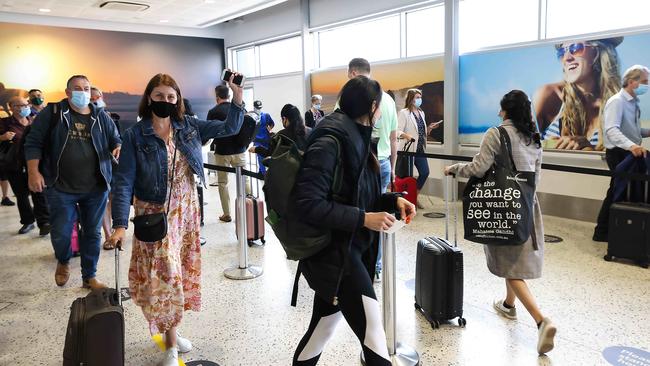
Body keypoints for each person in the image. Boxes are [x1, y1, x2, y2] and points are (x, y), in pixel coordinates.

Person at [108, 72, 244, 366]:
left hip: (186, 211)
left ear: (178, 100)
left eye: (171, 97)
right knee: (165, 278)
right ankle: (170, 345)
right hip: (153, 214)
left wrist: (236, 96)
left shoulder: (190, 127)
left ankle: (173, 331)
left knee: (178, 274)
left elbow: (231, 127)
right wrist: (120, 225)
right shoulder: (135, 135)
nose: (165, 101)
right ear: (149, 98)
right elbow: (123, 182)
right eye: (159, 96)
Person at [291, 76, 416, 366]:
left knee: (321, 331)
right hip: (336, 255)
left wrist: (392, 200)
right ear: (373, 107)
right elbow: (308, 203)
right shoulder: (332, 139)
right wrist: (364, 219)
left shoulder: (355, 135)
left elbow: (356, 194)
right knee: (374, 337)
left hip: (346, 250)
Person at [444, 90, 556, 355]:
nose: (498, 112)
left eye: (500, 108)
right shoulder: (535, 139)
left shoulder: (495, 133)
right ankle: (508, 305)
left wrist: (454, 169)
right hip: (526, 204)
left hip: (500, 205)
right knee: (512, 256)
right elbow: (536, 178)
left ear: (505, 110)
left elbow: (479, 168)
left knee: (509, 267)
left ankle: (542, 320)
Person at [24, 75, 122, 290]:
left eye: (86, 88)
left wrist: (116, 145)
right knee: (61, 232)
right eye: (77, 88)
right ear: (68, 92)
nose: (83, 92)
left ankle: (89, 276)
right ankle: (64, 259)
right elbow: (33, 143)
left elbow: (115, 137)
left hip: (95, 188)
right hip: (60, 186)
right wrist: (33, 172)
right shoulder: (53, 113)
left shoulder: (100, 116)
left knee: (92, 232)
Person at [593, 65, 650, 241]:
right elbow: (611, 130)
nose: (647, 85)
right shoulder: (617, 101)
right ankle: (602, 232)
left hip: (629, 153)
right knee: (616, 190)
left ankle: (618, 230)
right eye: (645, 81)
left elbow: (632, 129)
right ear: (632, 82)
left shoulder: (633, 103)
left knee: (622, 190)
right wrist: (632, 146)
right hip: (619, 153)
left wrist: (646, 132)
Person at [534, 37, 622, 150]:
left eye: (575, 48)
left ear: (597, 51)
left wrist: (589, 149)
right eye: (562, 52)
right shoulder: (550, 95)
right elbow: (521, 145)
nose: (566, 58)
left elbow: (622, 161)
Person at [0, 96, 50, 235]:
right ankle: (28, 222)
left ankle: (44, 222)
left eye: (26, 104)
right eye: (20, 105)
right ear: (12, 107)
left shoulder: (34, 121)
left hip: (33, 163)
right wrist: (2, 137)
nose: (25, 107)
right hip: (13, 164)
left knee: (39, 192)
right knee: (21, 195)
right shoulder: (4, 123)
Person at [210, 86, 251, 222]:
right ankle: (250, 207)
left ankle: (227, 214)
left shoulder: (213, 111)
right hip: (239, 150)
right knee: (245, 178)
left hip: (222, 151)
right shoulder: (240, 108)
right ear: (228, 95)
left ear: (217, 97)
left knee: (222, 183)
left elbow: (210, 131)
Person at [397, 88, 442, 208]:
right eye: (417, 97)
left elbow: (421, 132)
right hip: (408, 150)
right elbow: (397, 131)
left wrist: (430, 128)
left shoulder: (422, 113)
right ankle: (407, 201)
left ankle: (414, 197)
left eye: (420, 97)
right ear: (411, 99)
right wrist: (406, 135)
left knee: (425, 172)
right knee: (408, 177)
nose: (419, 99)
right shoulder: (404, 113)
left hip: (420, 149)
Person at [251, 100, 275, 174]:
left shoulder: (266, 115)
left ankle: (264, 172)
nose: (258, 110)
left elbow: (272, 123)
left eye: (259, 108)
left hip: (266, 139)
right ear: (254, 107)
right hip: (257, 140)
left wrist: (269, 129)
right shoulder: (251, 117)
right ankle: (263, 173)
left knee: (266, 155)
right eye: (257, 108)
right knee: (259, 157)